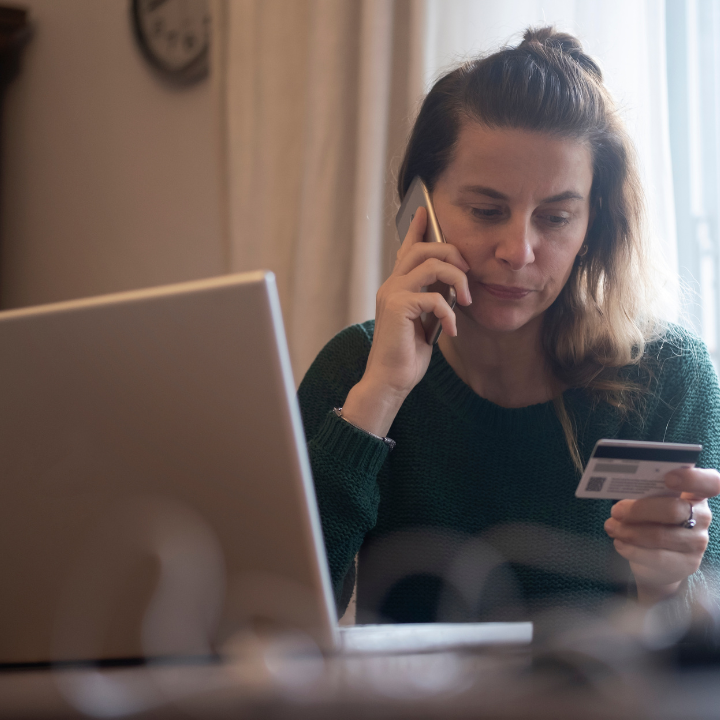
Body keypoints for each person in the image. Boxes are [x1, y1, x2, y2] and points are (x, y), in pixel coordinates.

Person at [298, 27, 720, 624]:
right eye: (487, 210)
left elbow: (700, 659)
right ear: (419, 209)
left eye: (555, 217)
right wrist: (381, 396)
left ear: (591, 226)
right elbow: (283, 619)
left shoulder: (667, 376)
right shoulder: (354, 370)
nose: (519, 251)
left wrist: (668, 587)